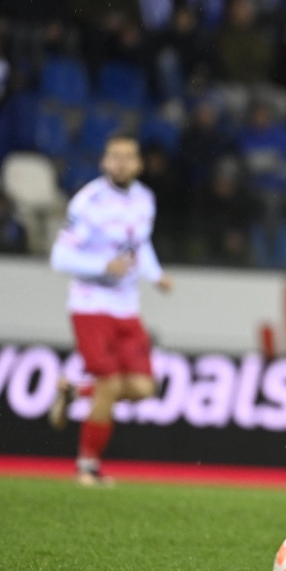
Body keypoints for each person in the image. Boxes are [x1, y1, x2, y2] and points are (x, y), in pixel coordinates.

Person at [47, 136, 173, 487]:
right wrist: (103, 265)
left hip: (127, 307)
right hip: (91, 305)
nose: (120, 163)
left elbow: (141, 245)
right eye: (113, 157)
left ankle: (73, 389)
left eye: (127, 157)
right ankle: (87, 467)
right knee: (111, 383)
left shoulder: (145, 199)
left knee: (145, 387)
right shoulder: (89, 201)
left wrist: (156, 275)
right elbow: (60, 257)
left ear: (138, 164)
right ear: (104, 162)